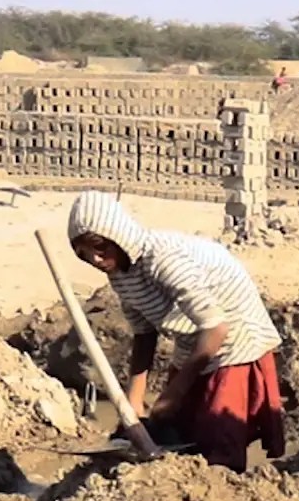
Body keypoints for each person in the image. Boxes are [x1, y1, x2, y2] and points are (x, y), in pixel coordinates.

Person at [66, 191, 285, 473]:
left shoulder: (164, 260)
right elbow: (143, 332)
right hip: (193, 333)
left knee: (219, 435)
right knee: (180, 429)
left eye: (100, 248)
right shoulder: (119, 274)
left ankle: (221, 493)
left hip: (234, 334)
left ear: (116, 236)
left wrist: (175, 392)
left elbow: (216, 327)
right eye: (85, 255)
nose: (96, 259)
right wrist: (134, 398)